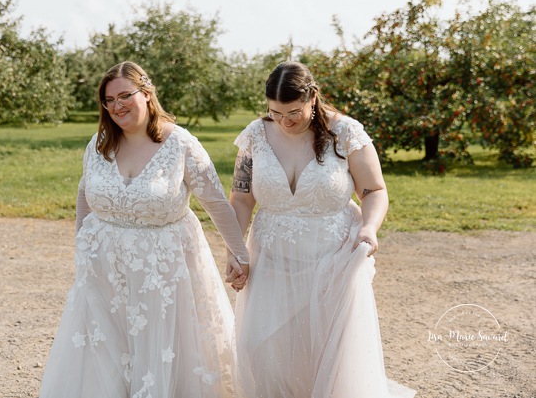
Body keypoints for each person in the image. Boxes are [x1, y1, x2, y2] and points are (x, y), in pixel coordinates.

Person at [39, 61, 250, 398]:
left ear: (147, 93)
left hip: (162, 272)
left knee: (159, 350)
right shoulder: (99, 144)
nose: (117, 106)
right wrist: (82, 243)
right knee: (108, 349)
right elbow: (84, 193)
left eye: (125, 95)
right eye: (109, 100)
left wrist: (239, 254)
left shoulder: (180, 144)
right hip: (104, 270)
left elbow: (216, 202)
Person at [228, 61, 415, 397]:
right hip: (271, 258)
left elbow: (374, 190)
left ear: (312, 98)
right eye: (275, 111)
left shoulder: (346, 133)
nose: (284, 121)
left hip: (331, 259)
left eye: (293, 112)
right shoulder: (256, 135)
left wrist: (370, 228)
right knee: (262, 349)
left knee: (322, 354)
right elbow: (241, 199)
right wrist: (235, 250)